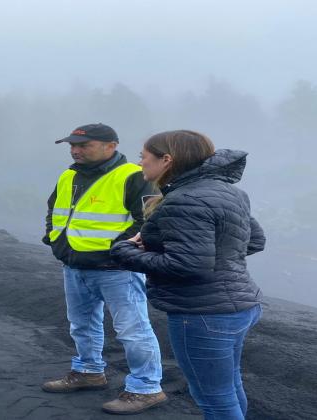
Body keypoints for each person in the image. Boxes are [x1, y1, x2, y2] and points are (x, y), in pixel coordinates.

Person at [111, 130, 265, 420]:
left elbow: (189, 266)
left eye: (143, 156)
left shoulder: (183, 200)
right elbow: (254, 241)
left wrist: (125, 251)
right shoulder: (230, 192)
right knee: (229, 388)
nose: (140, 163)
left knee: (214, 399)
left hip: (202, 313)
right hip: (241, 306)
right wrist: (209, 254)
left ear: (166, 159)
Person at [41, 123, 167, 414]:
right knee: (81, 324)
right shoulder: (69, 175)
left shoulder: (133, 176)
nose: (75, 150)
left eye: (84, 145)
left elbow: (149, 221)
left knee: (132, 330)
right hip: (74, 266)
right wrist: (54, 238)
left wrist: (119, 251)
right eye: (72, 145)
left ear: (111, 145)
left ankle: (146, 388)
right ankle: (88, 371)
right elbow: (54, 210)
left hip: (116, 270)